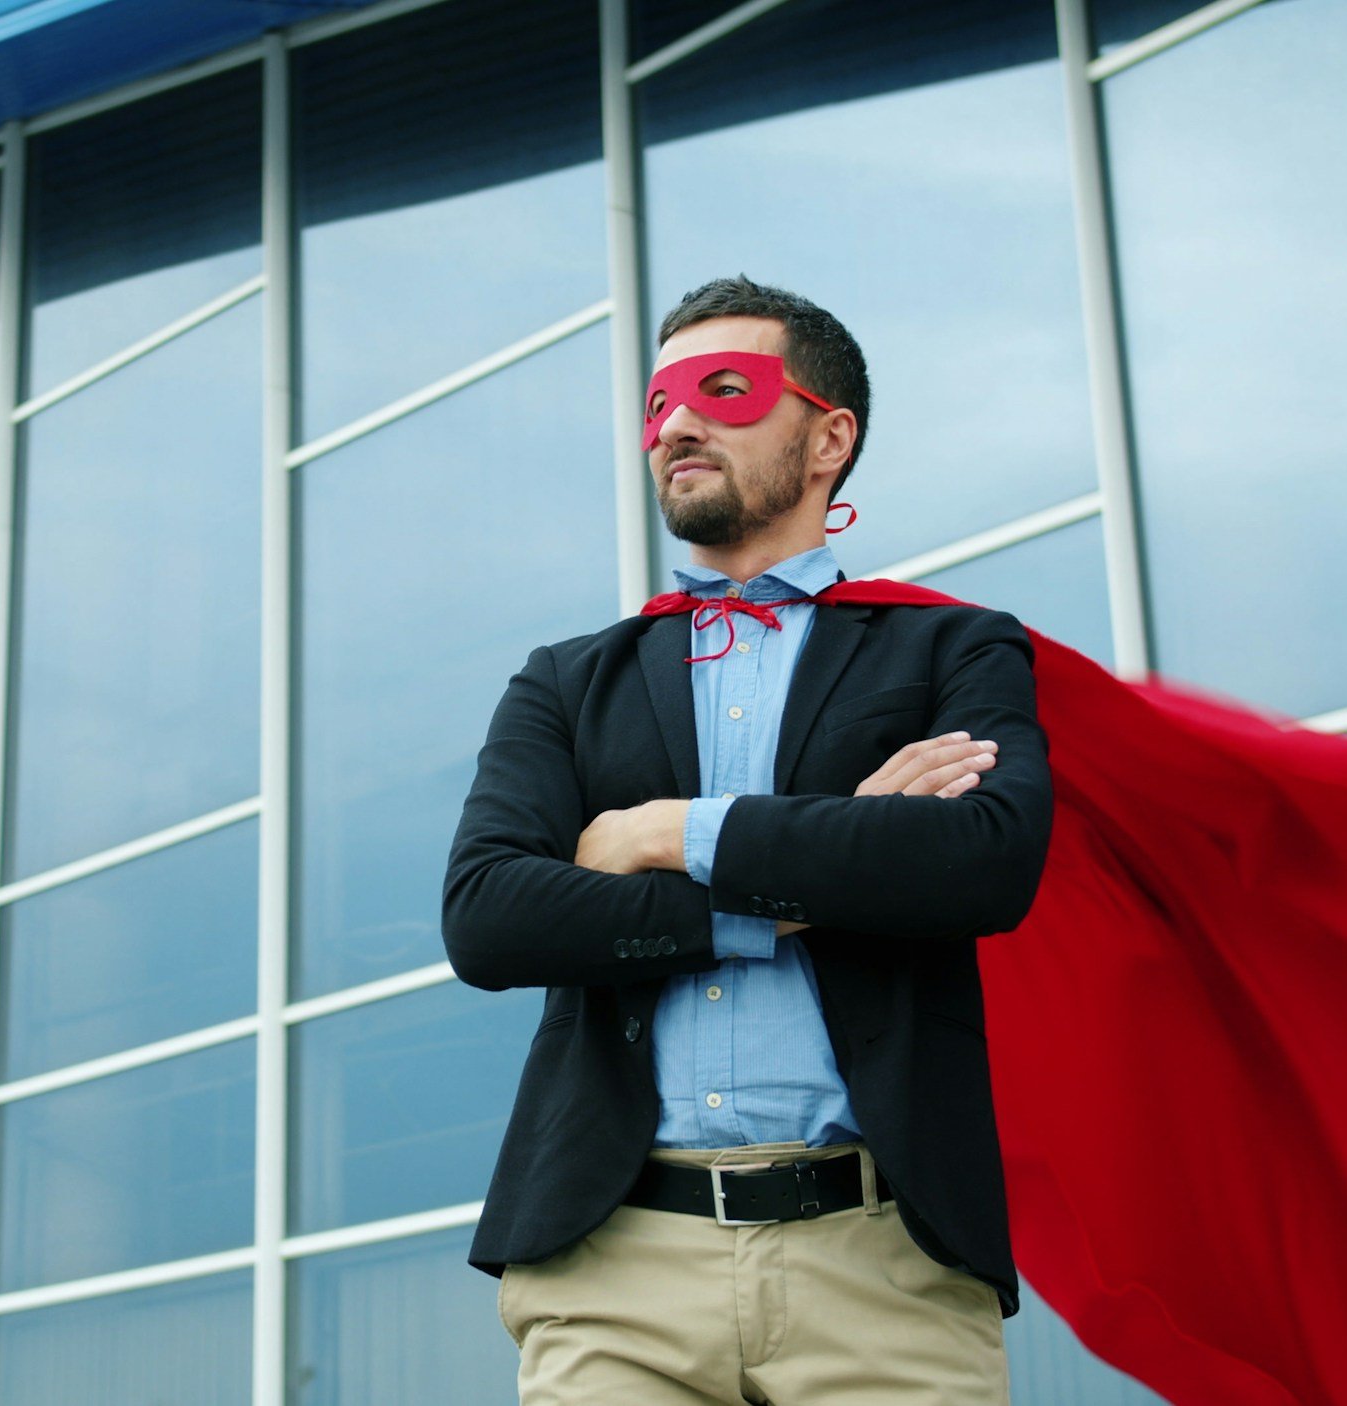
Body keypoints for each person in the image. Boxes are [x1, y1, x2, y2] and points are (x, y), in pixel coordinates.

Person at [442, 275, 1053, 1405]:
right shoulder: (569, 681)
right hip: (612, 1270)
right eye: (660, 402)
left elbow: (982, 856)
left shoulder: (950, 649)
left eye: (724, 390)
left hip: (883, 1270)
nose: (676, 422)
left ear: (829, 436)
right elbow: (489, 916)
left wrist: (659, 832)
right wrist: (811, 874)